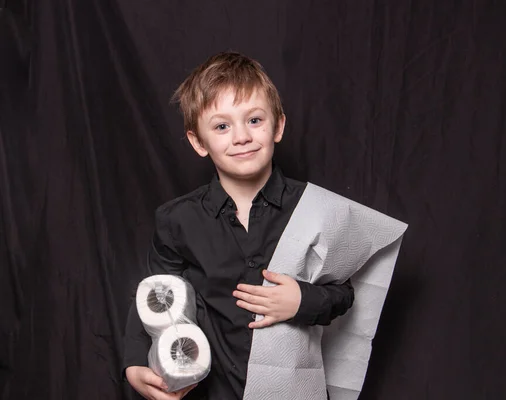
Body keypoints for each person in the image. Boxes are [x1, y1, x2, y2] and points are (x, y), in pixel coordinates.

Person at [123, 51, 355, 400]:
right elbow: (155, 295)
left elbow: (345, 291)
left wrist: (301, 300)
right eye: (221, 126)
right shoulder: (176, 220)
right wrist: (134, 364)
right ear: (199, 142)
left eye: (255, 120)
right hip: (213, 391)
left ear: (278, 126)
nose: (241, 136)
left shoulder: (315, 207)